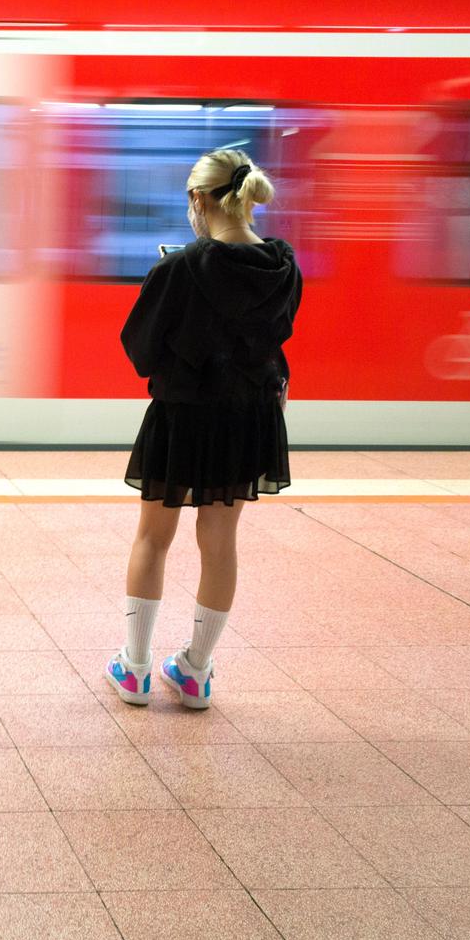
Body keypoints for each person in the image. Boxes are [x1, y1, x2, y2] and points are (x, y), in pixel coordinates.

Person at [107, 149, 301, 711]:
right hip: (249, 417)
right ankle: (195, 672)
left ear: (198, 199)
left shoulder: (179, 268)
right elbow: (275, 338)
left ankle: (135, 669)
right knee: (220, 543)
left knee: (153, 538)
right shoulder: (284, 266)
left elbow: (141, 352)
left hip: (184, 415)